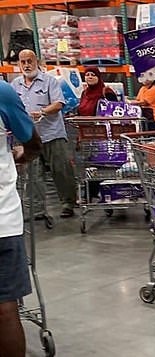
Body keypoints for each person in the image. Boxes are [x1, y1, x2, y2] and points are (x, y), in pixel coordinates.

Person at [0, 80, 42, 357]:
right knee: (5, 307)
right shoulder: (2, 91)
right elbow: (33, 143)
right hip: (2, 221)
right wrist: (21, 155)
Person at [11, 49, 78, 218]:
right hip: (28, 137)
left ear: (37, 62)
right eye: (23, 62)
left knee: (61, 170)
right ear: (19, 64)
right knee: (33, 174)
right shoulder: (15, 84)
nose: (26, 65)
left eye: (29, 61)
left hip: (52, 134)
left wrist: (42, 112)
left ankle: (68, 203)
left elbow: (59, 103)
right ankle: (37, 210)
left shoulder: (50, 81)